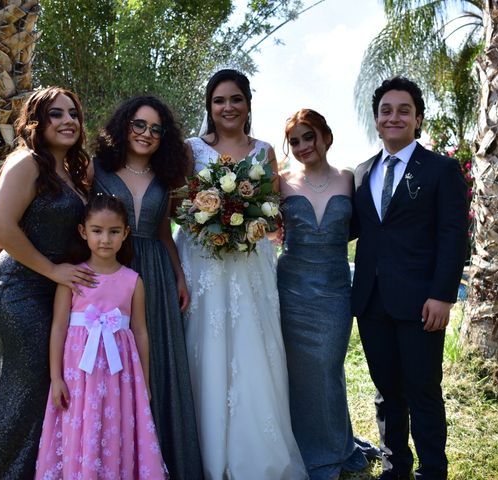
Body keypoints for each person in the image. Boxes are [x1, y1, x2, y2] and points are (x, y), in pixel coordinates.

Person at [0, 87, 96, 479]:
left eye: (73, 114)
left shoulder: (76, 171)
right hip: (15, 290)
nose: (68, 121)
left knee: (19, 391)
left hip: (51, 292)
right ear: (37, 122)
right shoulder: (27, 163)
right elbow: (0, 227)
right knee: (29, 390)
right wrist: (53, 270)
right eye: (56, 114)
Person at [174, 69, 307, 479]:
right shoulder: (190, 149)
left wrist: (245, 220)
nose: (227, 107)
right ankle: (205, 454)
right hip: (202, 262)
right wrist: (211, 217)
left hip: (250, 263)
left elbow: (274, 214)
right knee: (206, 346)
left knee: (254, 347)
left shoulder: (265, 151)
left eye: (235, 99)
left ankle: (258, 458)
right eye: (219, 101)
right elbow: (179, 205)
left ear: (248, 104)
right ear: (209, 107)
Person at [351, 77, 468, 480]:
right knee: (386, 391)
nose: (394, 117)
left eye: (404, 110)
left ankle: (433, 471)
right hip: (371, 301)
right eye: (386, 110)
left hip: (422, 302)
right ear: (377, 120)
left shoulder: (441, 170)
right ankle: (395, 466)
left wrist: (443, 296)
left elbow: (453, 235)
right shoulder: (361, 173)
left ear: (417, 119)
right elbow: (346, 226)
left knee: (422, 391)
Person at [93, 96, 203, 480]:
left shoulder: (162, 179)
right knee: (112, 364)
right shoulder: (97, 171)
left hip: (154, 274)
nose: (147, 134)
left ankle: (162, 460)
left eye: (156, 129)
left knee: (157, 359)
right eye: (139, 125)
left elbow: (162, 232)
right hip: (112, 272)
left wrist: (179, 275)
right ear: (124, 126)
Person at [34, 194, 167, 479]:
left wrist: (143, 382)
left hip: (121, 378)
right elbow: (58, 327)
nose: (105, 239)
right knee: (80, 425)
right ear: (83, 232)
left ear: (125, 233)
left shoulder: (133, 281)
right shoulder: (72, 278)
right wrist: (56, 378)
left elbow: (140, 332)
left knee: (114, 428)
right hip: (79, 376)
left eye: (114, 231)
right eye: (97, 230)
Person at [278, 108, 377, 480]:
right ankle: (304, 446)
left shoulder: (349, 179)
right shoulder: (281, 182)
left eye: (309, 136)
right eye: (295, 141)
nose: (303, 146)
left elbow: (359, 227)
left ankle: (337, 446)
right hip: (291, 288)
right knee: (300, 371)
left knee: (328, 368)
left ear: (326, 137)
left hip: (335, 289)